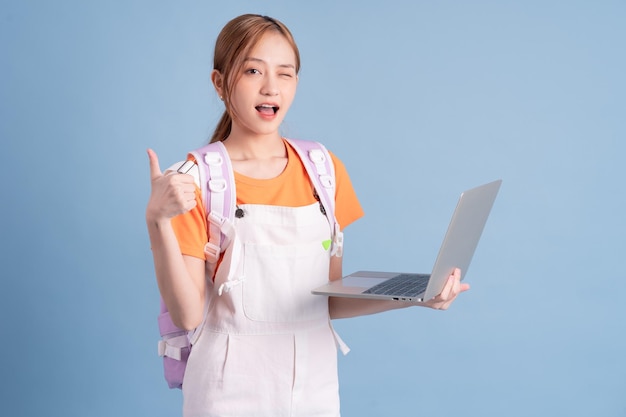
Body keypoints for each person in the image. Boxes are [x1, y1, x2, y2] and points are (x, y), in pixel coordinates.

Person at [146, 13, 469, 417]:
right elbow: (188, 314)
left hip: (314, 391)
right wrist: (157, 221)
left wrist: (417, 297)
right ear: (219, 83)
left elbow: (327, 299)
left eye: (285, 73)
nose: (270, 87)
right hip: (227, 391)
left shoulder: (324, 169)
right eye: (252, 70)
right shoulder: (193, 182)